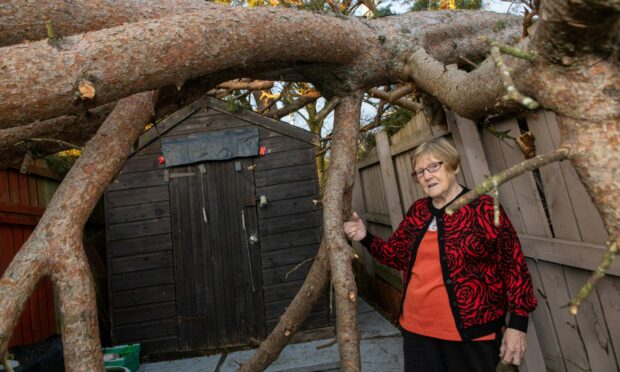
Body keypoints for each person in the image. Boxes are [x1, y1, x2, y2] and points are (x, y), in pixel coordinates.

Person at [343, 138, 537, 372]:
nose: (426, 175)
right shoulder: (418, 212)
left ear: (454, 166)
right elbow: (395, 256)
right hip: (417, 333)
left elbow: (514, 266)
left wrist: (518, 325)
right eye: (420, 171)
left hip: (474, 336)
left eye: (434, 166)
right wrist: (365, 236)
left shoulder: (484, 209)